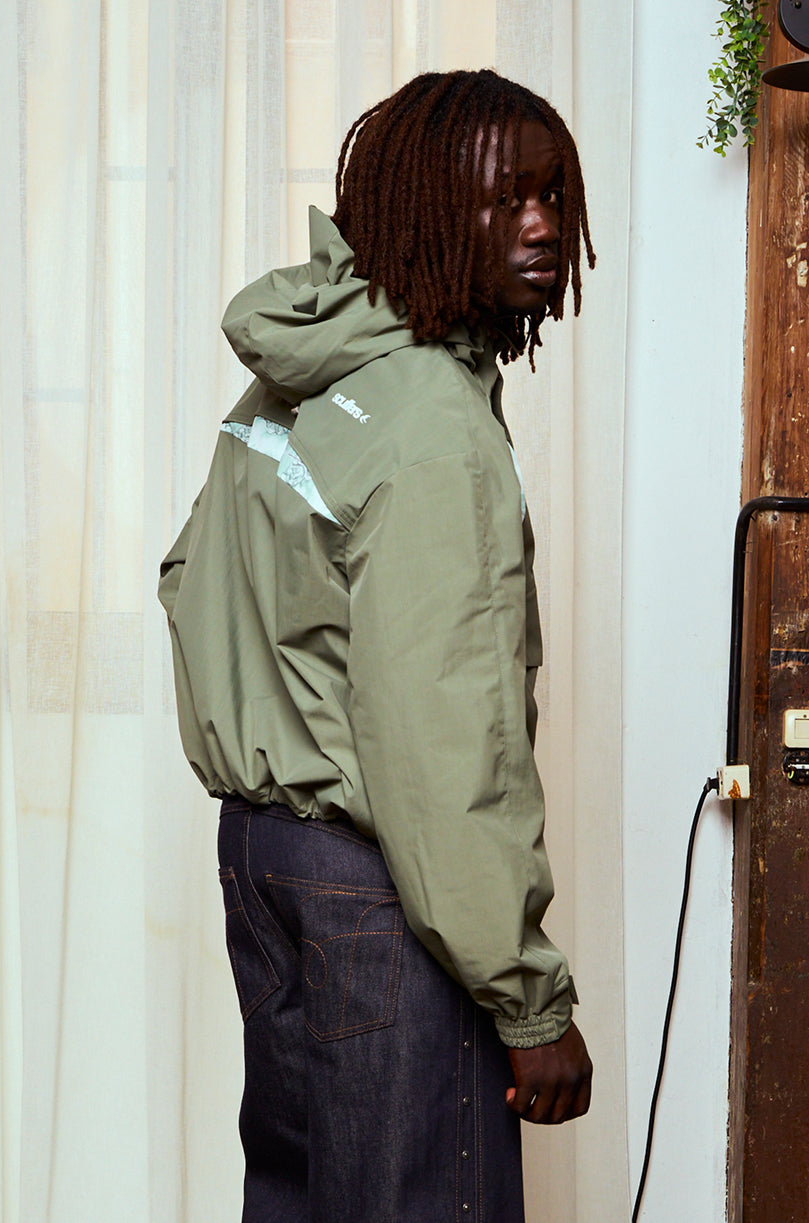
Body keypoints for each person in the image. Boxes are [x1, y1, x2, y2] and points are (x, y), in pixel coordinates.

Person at [159, 68, 595, 1223]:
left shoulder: (299, 377)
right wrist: (530, 1002)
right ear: (427, 211)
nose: (541, 225)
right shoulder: (433, 425)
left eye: (552, 195)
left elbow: (193, 581)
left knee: (302, 1200)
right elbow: (446, 750)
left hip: (264, 860)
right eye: (505, 198)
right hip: (377, 888)